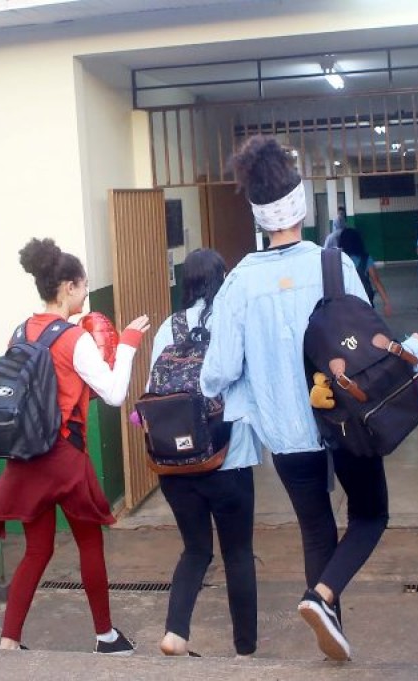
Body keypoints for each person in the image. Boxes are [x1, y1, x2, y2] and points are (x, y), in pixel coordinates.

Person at [201, 135, 418, 663]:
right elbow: (366, 340)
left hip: (286, 433)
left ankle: (332, 635)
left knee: (315, 530)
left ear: (258, 215)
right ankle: (321, 596)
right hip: (347, 420)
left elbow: (219, 372)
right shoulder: (333, 264)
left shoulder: (238, 284)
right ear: (300, 206)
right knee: (370, 516)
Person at [0, 237, 150, 654]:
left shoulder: (20, 331)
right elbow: (114, 394)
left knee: (36, 549)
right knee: (89, 543)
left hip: (26, 456)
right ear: (68, 287)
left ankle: (8, 641)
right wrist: (128, 344)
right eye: (84, 285)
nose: (86, 293)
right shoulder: (75, 339)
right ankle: (106, 637)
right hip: (64, 457)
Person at [149, 248, 262, 659]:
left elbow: (152, 391)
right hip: (227, 458)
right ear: (222, 279)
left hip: (174, 465)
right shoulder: (232, 322)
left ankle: (175, 633)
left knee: (195, 549)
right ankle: (244, 650)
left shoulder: (168, 327)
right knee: (238, 553)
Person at [337, 227, 392, 316]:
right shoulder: (365, 259)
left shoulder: (337, 259)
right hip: (364, 300)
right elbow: (376, 281)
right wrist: (386, 302)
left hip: (344, 301)